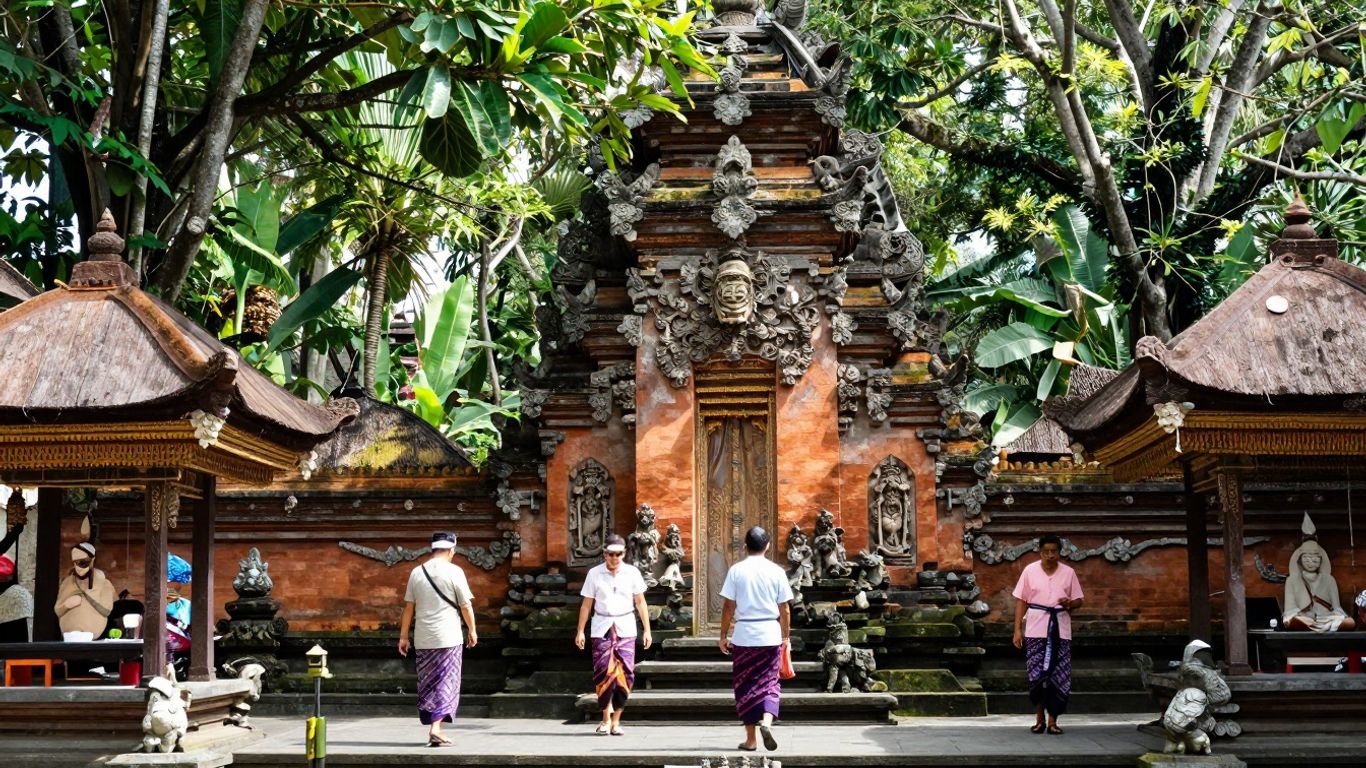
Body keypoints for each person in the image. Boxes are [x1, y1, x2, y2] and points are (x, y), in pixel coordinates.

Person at [717, 526, 793, 753]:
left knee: (745, 685)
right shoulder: (777, 571)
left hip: (744, 635)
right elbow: (785, 608)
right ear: (768, 546)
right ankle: (767, 722)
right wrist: (786, 636)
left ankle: (751, 740)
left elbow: (729, 606)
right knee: (770, 682)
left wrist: (722, 635)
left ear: (745, 546)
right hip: (770, 634)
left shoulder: (736, 571)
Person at [398, 532, 477, 748]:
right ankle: (436, 728)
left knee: (428, 682)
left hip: (423, 638)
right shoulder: (455, 571)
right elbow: (465, 605)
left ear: (433, 549)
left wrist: (404, 636)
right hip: (448, 637)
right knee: (446, 682)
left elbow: (409, 608)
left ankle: (435, 725)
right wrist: (472, 630)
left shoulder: (416, 572)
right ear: (452, 550)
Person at [575, 533, 652, 735]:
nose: (614, 558)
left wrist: (647, 630)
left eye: (618, 554)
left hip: (625, 625)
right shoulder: (594, 574)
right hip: (602, 626)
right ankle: (605, 718)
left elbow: (641, 602)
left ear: (624, 554)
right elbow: (586, 605)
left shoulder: (632, 573)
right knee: (603, 672)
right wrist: (580, 631)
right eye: (610, 554)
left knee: (625, 675)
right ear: (604, 554)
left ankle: (617, 720)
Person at [1012, 534, 1084, 735]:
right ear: (1040, 552)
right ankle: (1039, 719)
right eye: (1046, 552)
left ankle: (1053, 721)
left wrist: (1070, 604)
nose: (1050, 555)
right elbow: (1021, 601)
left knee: (1058, 675)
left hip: (1060, 629)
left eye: (1054, 552)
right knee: (1037, 675)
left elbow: (1079, 599)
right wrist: (1017, 630)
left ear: (1060, 553)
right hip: (1036, 628)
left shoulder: (1068, 573)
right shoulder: (1030, 571)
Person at [1282, 538, 1355, 631]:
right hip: (1304, 619)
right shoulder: (1291, 580)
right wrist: (1302, 617)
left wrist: (1338, 616)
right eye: (1306, 557)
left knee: (1350, 622)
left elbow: (1336, 607)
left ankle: (1314, 628)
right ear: (1300, 559)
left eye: (1315, 557)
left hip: (1327, 619)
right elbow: (1290, 610)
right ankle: (1310, 626)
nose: (1311, 561)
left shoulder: (1329, 580)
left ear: (1321, 559)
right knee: (1294, 620)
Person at [55, 541, 116, 637]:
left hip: (92, 637)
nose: (78, 567)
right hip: (70, 636)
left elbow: (106, 610)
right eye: (74, 563)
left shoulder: (104, 584)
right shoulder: (67, 583)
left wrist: (90, 594)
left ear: (92, 560)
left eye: (82, 563)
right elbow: (57, 610)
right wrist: (66, 605)